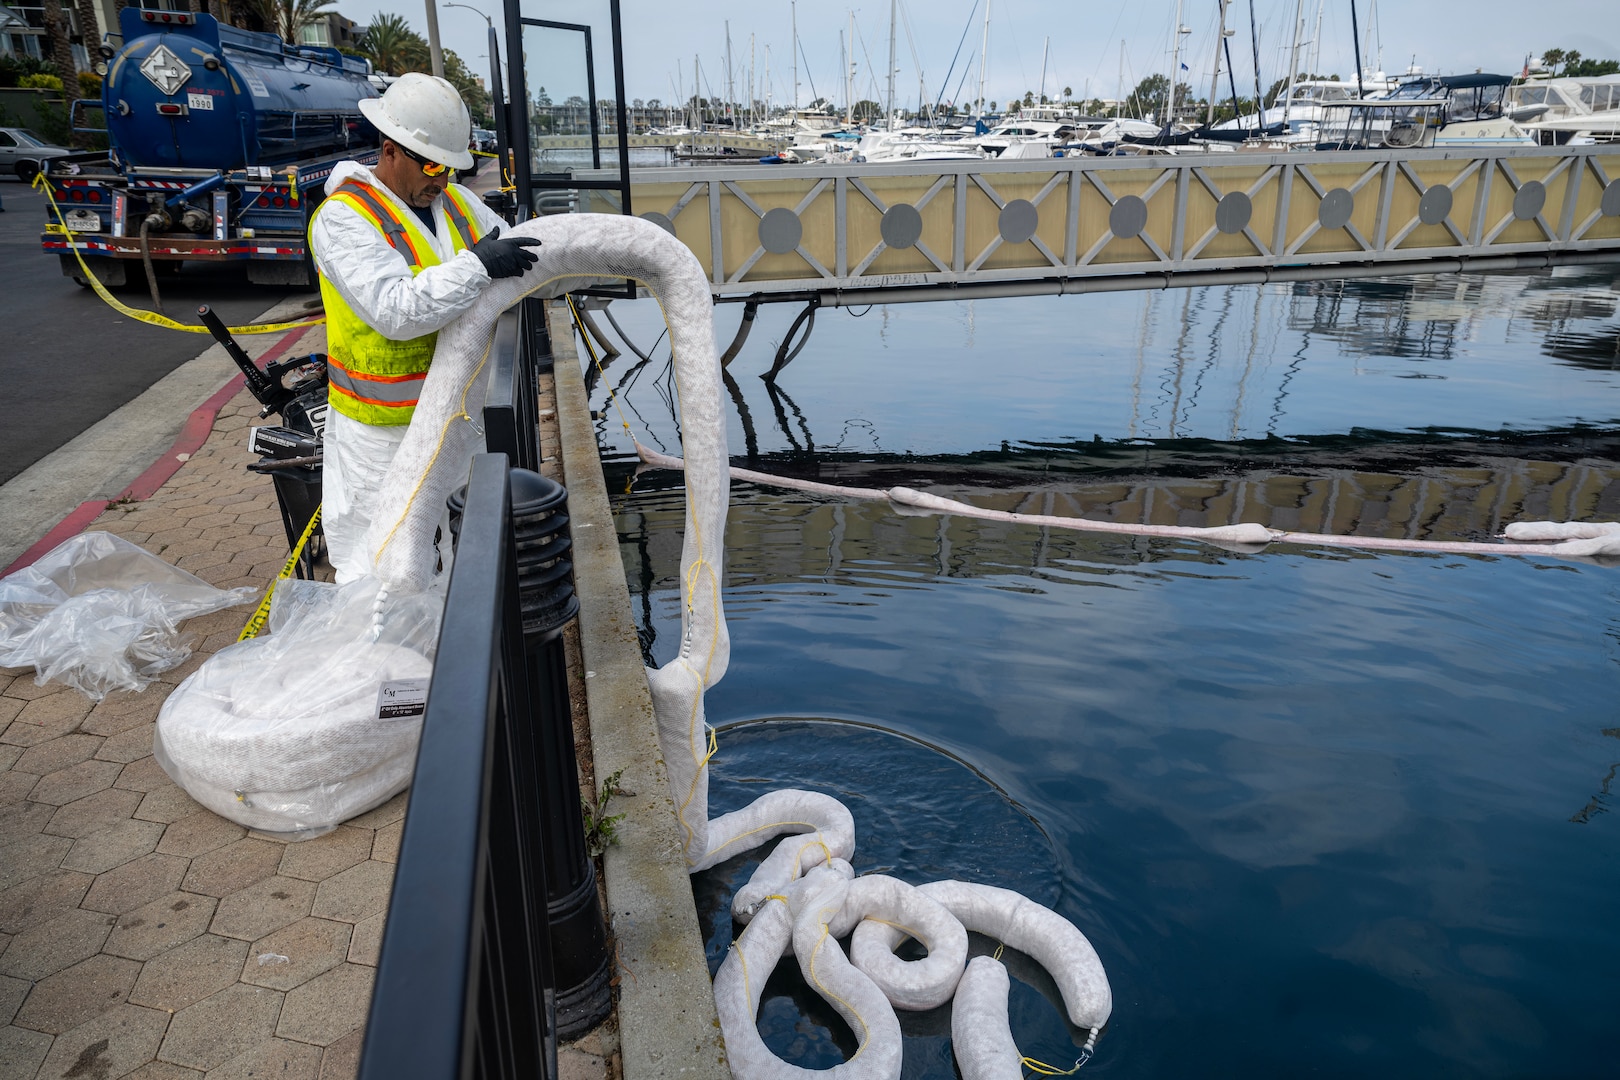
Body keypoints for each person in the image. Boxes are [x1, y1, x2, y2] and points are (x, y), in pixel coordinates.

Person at [309, 72, 541, 583]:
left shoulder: (455, 204)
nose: (442, 179)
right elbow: (396, 310)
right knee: (380, 566)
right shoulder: (342, 219)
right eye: (433, 164)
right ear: (391, 151)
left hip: (455, 417)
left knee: (464, 553)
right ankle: (384, 662)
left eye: (455, 167)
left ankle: (451, 656)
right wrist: (478, 266)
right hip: (382, 434)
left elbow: (521, 254)